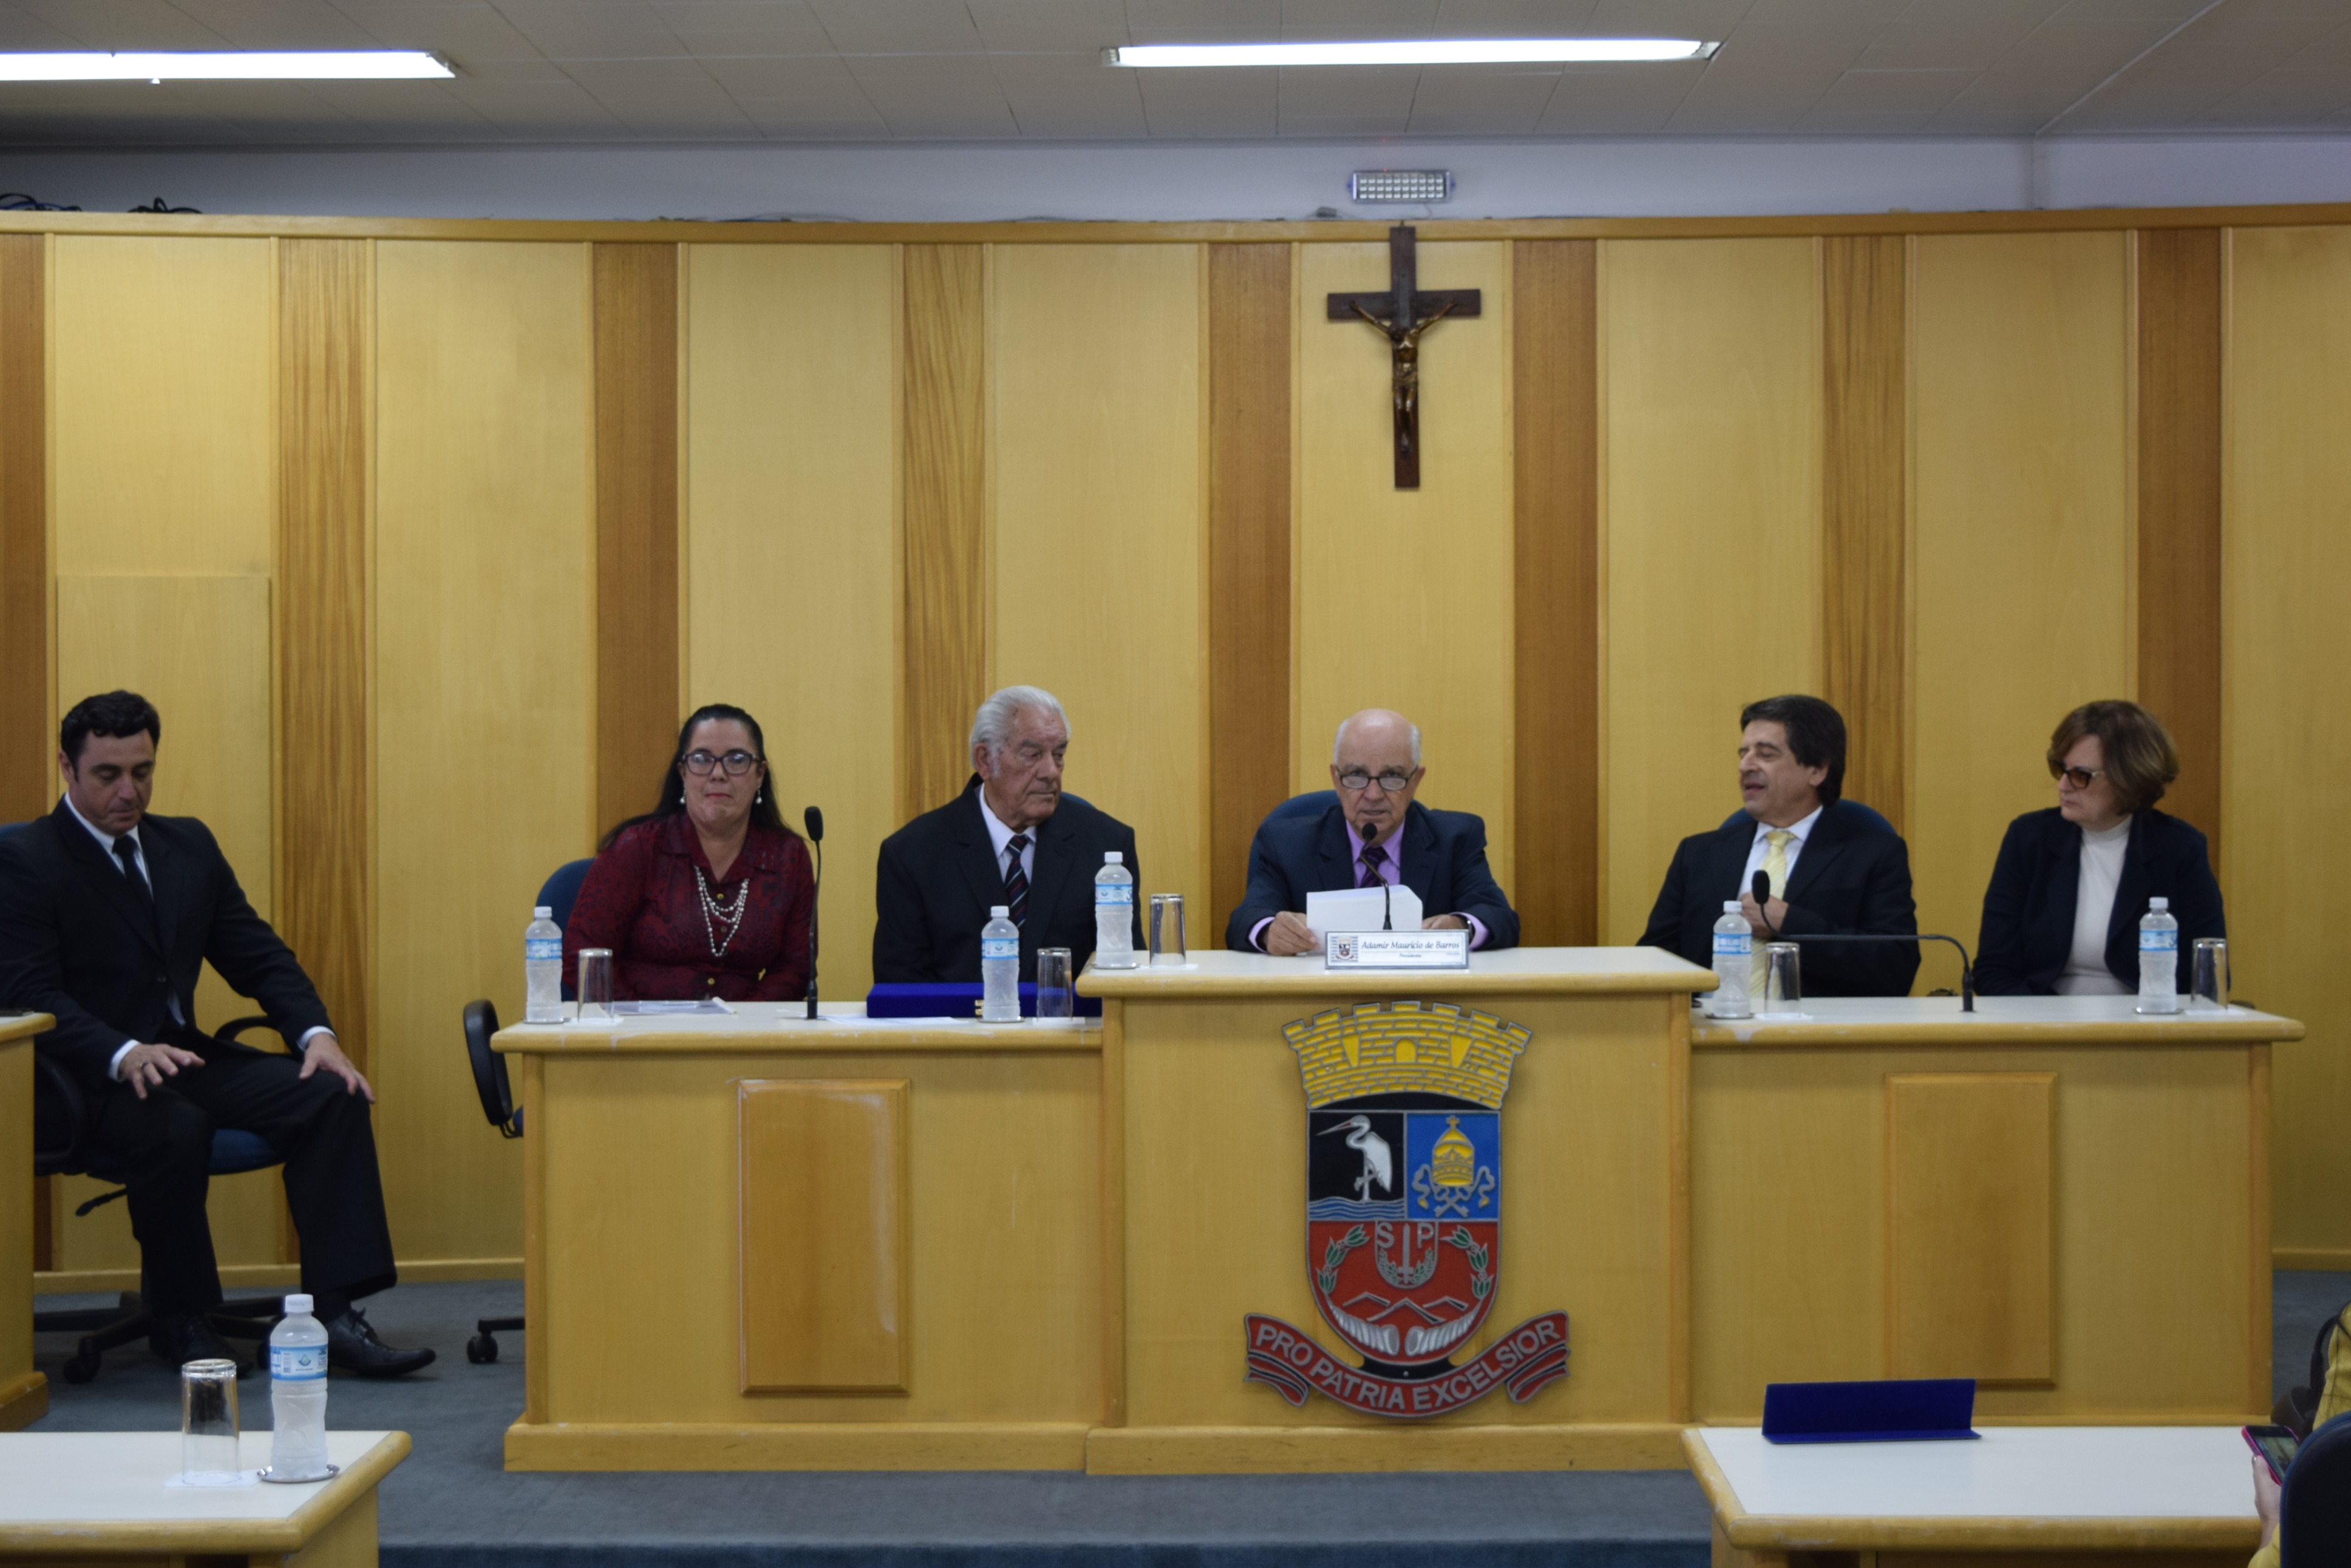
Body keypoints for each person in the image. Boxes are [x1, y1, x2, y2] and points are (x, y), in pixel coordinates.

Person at [0, 692, 430, 1374]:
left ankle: (333, 1316)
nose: (128, 791)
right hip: (84, 1075)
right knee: (175, 1126)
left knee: (330, 1092)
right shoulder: (26, 857)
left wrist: (316, 1034)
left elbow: (257, 955)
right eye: (108, 774)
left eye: (142, 771)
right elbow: (30, 993)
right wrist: (123, 1052)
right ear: (67, 766)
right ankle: (182, 1319)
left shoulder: (187, 845)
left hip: (184, 1056)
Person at [1639, 694, 1919, 997]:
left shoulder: (1873, 854)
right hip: (1706, 1022)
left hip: (1818, 1024)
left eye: (1766, 754)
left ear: (1817, 770)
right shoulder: (1699, 855)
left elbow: (1895, 967)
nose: (1745, 765)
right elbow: (1655, 959)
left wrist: (1789, 924)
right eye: (1743, 753)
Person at [873, 685, 1140, 982]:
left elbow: (1126, 980)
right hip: (959, 1015)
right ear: (986, 760)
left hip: (1071, 1014)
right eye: (1033, 755)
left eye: (1059, 754)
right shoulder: (913, 855)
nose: (1051, 771)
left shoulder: (1106, 846)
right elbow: (901, 989)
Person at [564, 704, 815, 1002]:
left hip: (747, 1026)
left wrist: (743, 1022)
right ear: (683, 772)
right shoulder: (639, 848)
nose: (718, 774)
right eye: (702, 759)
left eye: (737, 760)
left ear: (760, 774)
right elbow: (583, 957)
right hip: (640, 1025)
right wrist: (641, 1021)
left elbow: (796, 968)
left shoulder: (787, 857)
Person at [1975, 700, 2222, 996]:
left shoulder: (2179, 848)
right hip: (2042, 1017)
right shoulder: (2029, 839)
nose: (2063, 785)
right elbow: (1994, 970)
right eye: (2060, 769)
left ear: (2128, 778)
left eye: (2081, 775)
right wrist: (2041, 1021)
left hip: (2146, 1019)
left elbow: (2206, 975)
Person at [1225, 708, 1519, 955]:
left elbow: (1499, 918)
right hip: (1321, 998)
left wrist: (1461, 927)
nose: (1374, 795)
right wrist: (1270, 932)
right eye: (1357, 775)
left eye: (1392, 776)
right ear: (1336, 779)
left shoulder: (1455, 839)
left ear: (1416, 780)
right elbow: (1246, 920)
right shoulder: (1288, 843)